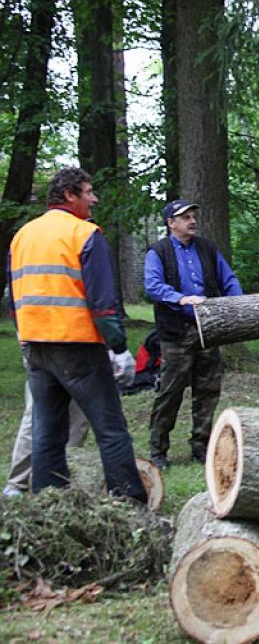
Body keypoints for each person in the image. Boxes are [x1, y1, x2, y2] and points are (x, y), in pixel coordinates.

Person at [8, 167, 147, 504]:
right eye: (89, 192)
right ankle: (129, 506)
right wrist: (118, 348)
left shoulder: (22, 236)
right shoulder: (85, 234)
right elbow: (102, 301)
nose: (94, 198)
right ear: (70, 195)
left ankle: (49, 505)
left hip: (37, 348)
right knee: (111, 430)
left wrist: (23, 334)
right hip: (78, 346)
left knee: (47, 433)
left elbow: (14, 296)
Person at [144, 199, 242, 469]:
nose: (192, 220)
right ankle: (158, 450)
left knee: (208, 389)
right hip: (175, 332)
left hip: (208, 328)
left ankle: (201, 446)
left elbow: (229, 279)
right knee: (170, 391)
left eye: (193, 215)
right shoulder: (158, 251)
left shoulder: (207, 249)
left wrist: (239, 304)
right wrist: (180, 299)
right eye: (184, 217)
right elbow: (152, 286)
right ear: (171, 223)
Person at [2, 376, 90, 497]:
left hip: (81, 364)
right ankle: (18, 483)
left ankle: (63, 479)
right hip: (46, 363)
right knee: (36, 417)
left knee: (76, 421)